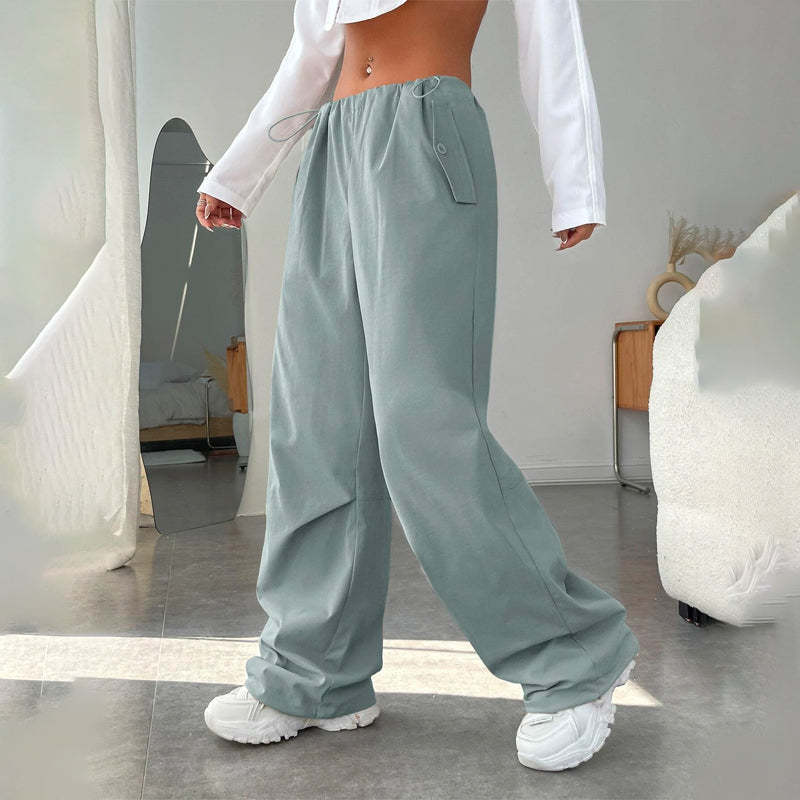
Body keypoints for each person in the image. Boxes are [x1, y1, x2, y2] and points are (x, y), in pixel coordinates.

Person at [196, 0, 639, 772]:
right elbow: (313, 52)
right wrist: (237, 173)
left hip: (425, 129)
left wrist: (576, 184)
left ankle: (575, 657)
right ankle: (317, 673)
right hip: (333, 141)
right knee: (316, 424)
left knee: (423, 424)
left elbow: (551, 35)